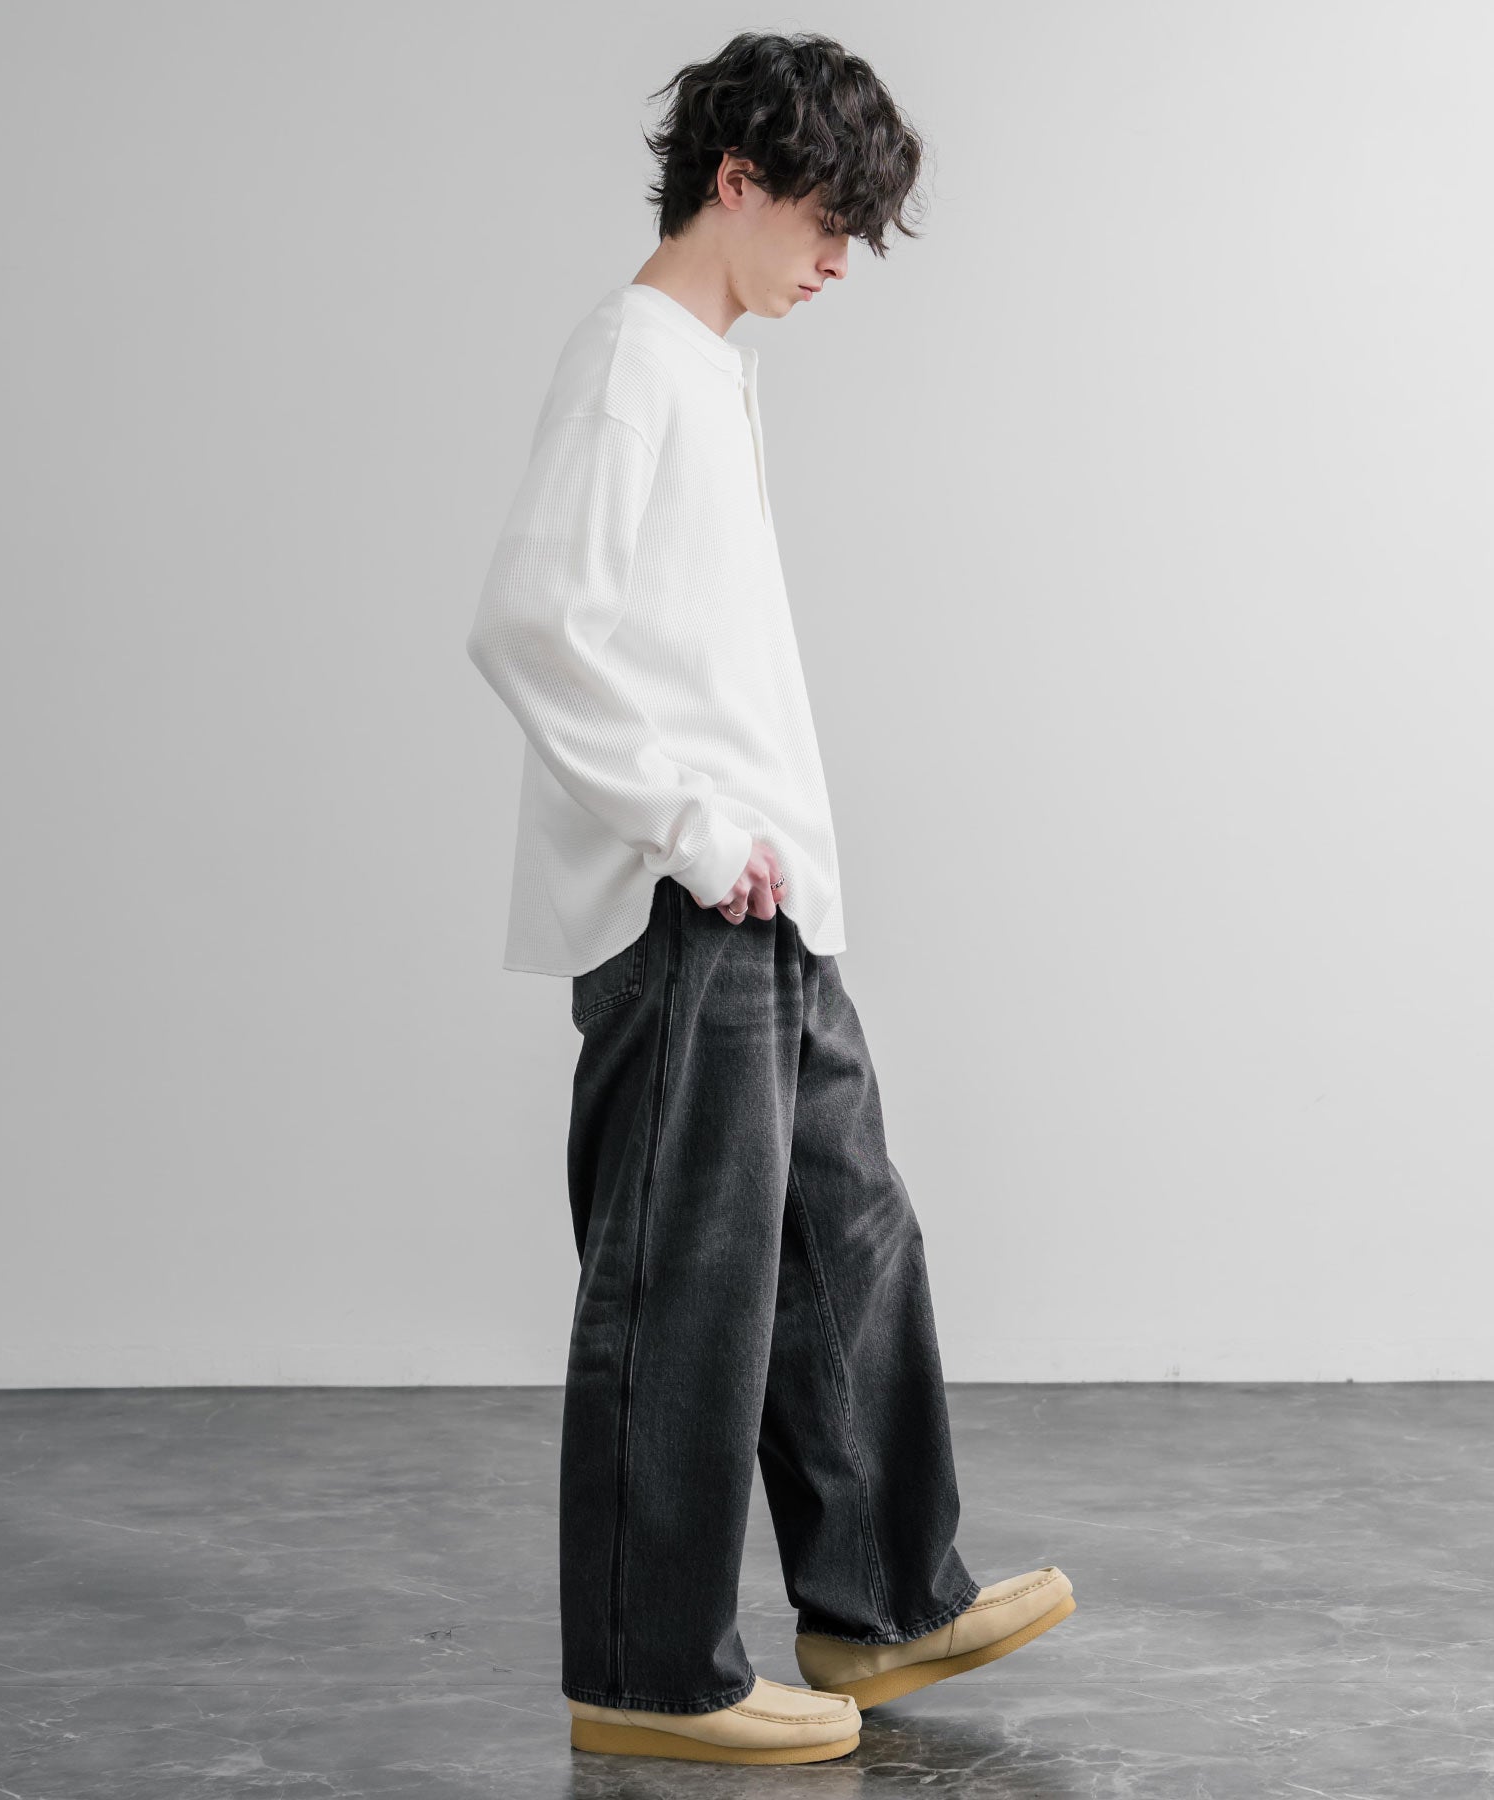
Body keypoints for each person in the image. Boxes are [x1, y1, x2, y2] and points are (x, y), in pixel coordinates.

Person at [465, 28, 1073, 1768]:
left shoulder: (706, 367)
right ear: (734, 180)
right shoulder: (631, 359)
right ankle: (646, 1673)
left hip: (767, 902)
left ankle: (881, 1600)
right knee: (689, 1290)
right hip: (683, 904)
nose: (839, 261)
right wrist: (688, 826)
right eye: (824, 219)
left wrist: (769, 853)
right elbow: (529, 623)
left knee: (846, 1241)